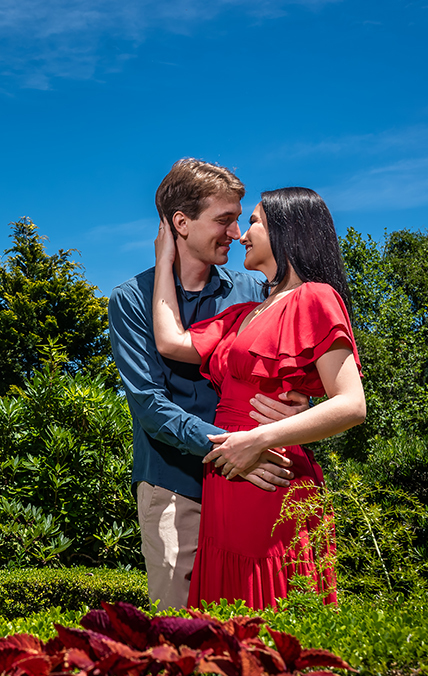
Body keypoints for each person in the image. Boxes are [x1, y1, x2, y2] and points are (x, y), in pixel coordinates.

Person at [151, 186, 366, 610]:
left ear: (288, 231)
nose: (241, 234)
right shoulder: (245, 312)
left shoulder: (316, 298)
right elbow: (170, 341)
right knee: (224, 625)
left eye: (253, 222)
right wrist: (165, 260)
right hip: (228, 481)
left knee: (271, 617)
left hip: (271, 478)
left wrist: (258, 440)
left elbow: (351, 405)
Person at [108, 160, 308, 611]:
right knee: (181, 627)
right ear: (181, 222)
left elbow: (282, 371)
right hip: (175, 484)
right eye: (224, 219)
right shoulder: (131, 300)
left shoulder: (253, 290)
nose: (237, 233)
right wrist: (237, 446)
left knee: (262, 618)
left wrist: (300, 406)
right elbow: (151, 407)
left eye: (240, 219)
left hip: (253, 474)